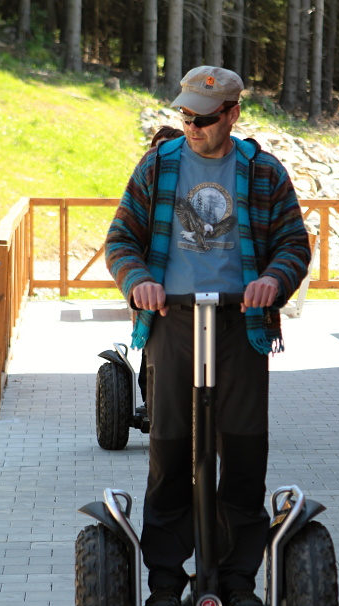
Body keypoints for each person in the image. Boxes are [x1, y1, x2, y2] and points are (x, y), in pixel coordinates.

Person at [106, 66, 311, 606]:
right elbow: (121, 239)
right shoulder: (158, 165)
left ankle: (237, 579)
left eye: (204, 118)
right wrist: (137, 280)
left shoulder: (263, 171)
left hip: (241, 325)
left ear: (232, 114)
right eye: (186, 116)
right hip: (171, 322)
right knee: (170, 451)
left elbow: (293, 243)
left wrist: (274, 280)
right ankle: (165, 582)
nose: (192, 127)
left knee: (242, 454)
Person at [136, 126, 184, 408]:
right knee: (151, 345)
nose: (159, 154)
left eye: (167, 148)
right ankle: (152, 405)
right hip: (151, 281)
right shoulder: (143, 182)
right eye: (156, 147)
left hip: (184, 283)